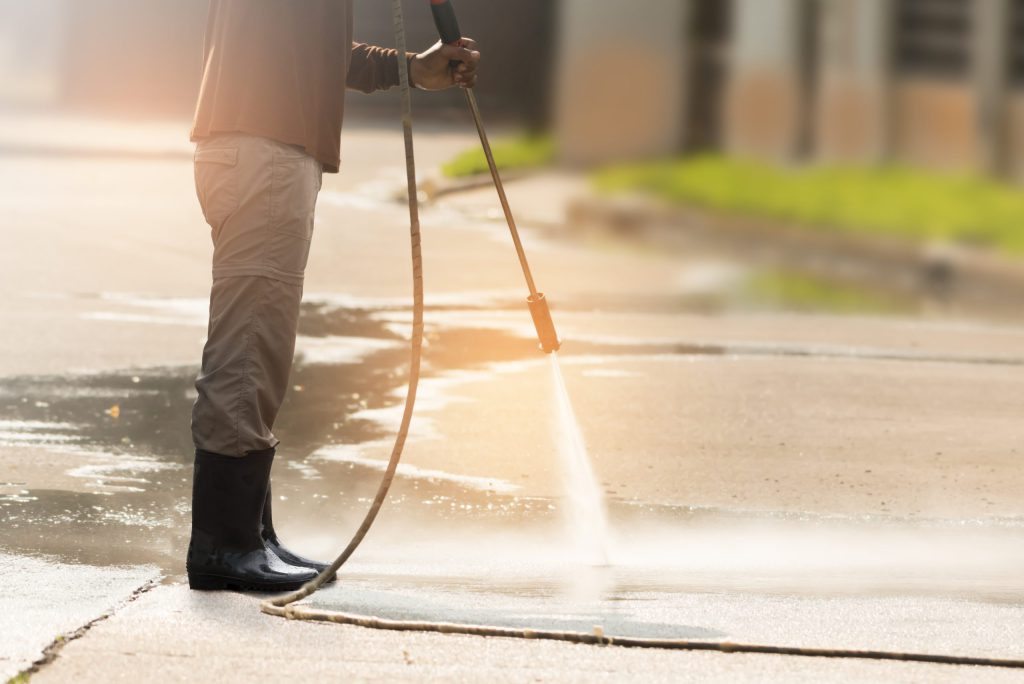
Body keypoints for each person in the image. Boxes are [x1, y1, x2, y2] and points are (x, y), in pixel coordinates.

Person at [185, 0, 480, 592]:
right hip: (262, 150)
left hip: (268, 150)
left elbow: (317, 50)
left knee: (261, 348)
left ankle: (249, 533)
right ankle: (223, 544)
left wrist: (410, 70)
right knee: (249, 349)